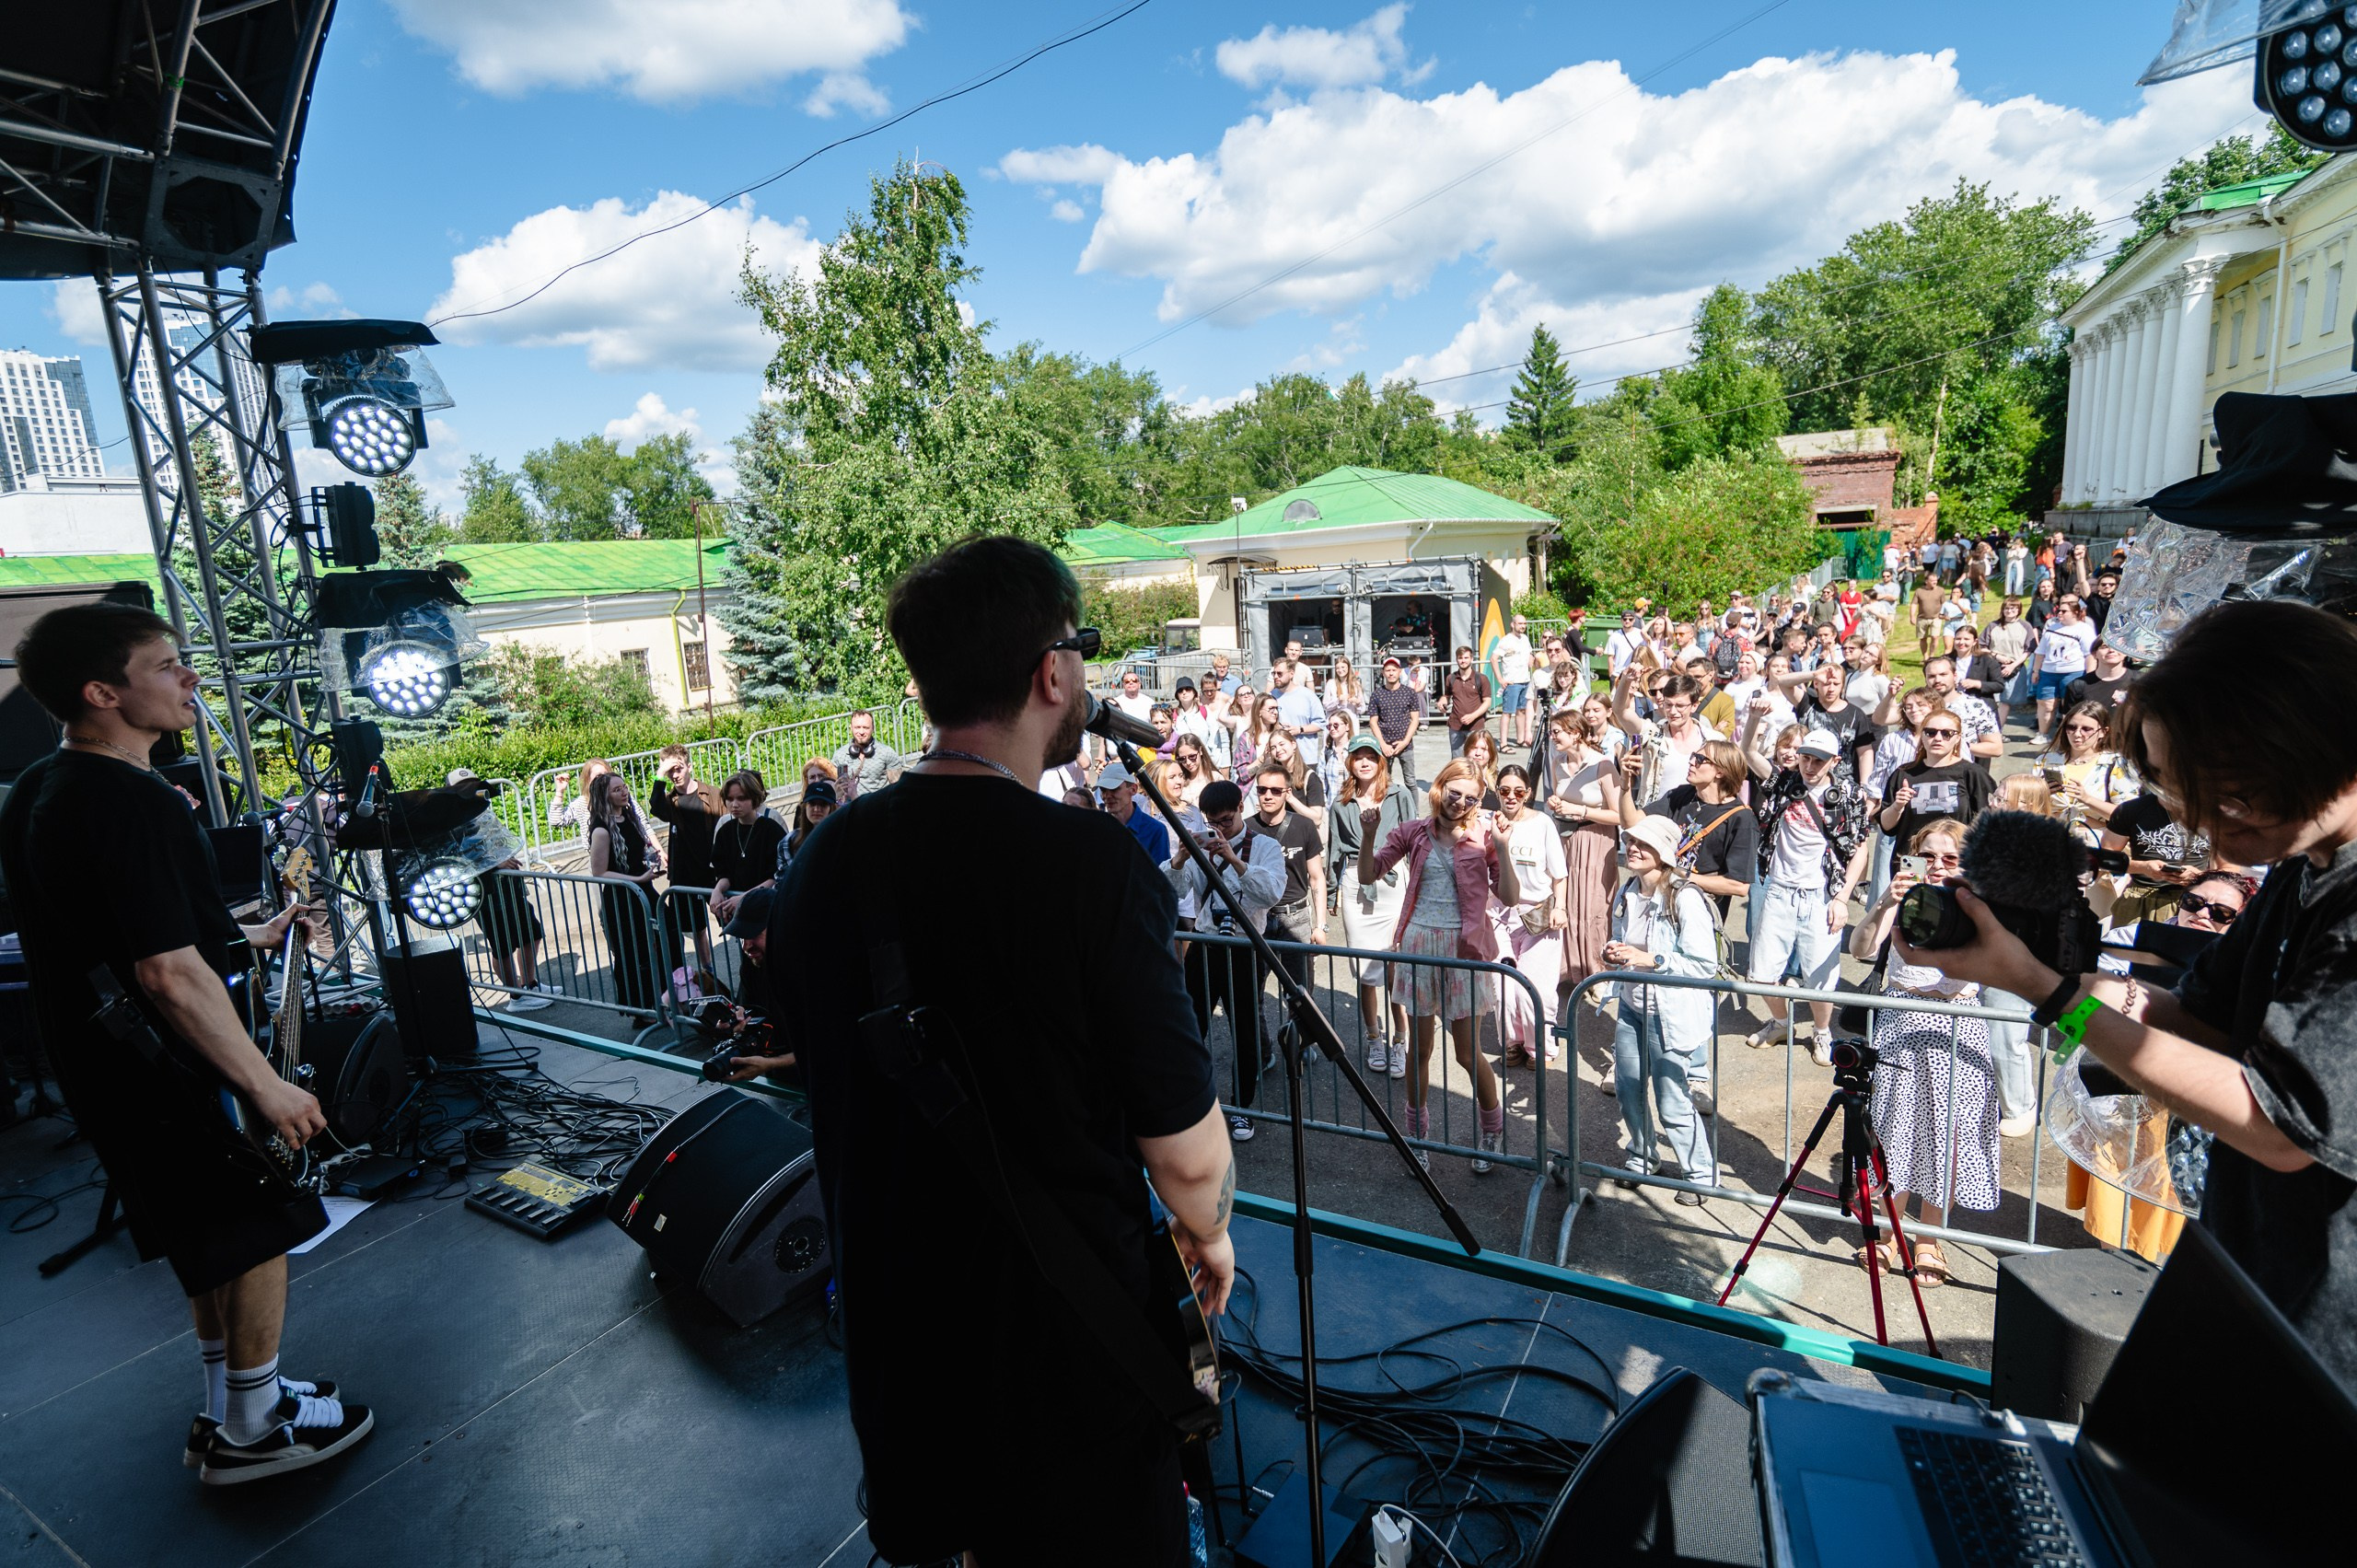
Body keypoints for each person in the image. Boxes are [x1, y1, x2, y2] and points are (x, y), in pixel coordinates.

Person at [771, 535, 1234, 1562]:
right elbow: (1190, 1158)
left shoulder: (824, 857)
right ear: (1051, 670)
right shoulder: (1090, 870)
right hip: (1063, 1355)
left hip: (899, 1336)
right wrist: (1209, 1233)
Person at [1898, 599, 2357, 1386]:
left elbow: (2282, 1125)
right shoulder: (2303, 869)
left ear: (2303, 744)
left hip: (2328, 1347)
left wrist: (2051, 996)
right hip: (2257, 1284)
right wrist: (2050, 970)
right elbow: (2201, 1017)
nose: (2206, 828)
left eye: (2221, 796)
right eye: (2182, 797)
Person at [0, 602, 373, 1485]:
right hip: (170, 1067)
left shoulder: (38, 793)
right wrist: (267, 1087)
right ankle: (254, 1433)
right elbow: (166, 972)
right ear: (104, 692)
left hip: (105, 1064)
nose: (189, 679)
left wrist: (249, 934)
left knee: (209, 1235)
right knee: (256, 1229)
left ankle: (234, 1402)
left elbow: (114, 935)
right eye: (166, 666)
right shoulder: (132, 800)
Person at [1357, 759, 1522, 1172]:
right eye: (1455, 793)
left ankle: (1492, 1129)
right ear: (1440, 787)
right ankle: (1417, 1137)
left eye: (1470, 797)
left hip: (1464, 950)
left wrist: (1501, 847)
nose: (1461, 802)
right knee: (1420, 1050)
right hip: (1418, 946)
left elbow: (1510, 896)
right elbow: (1367, 874)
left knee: (1468, 1054)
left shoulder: (1485, 834)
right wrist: (1369, 833)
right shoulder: (1414, 831)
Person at [1852, 819, 1993, 1286]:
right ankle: (1890, 1233)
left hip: (1958, 1026)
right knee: (1896, 1130)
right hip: (1902, 1022)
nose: (1936, 866)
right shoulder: (1902, 899)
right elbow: (1860, 948)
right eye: (1927, 856)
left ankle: (1930, 1238)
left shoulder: (1977, 908)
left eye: (1949, 858)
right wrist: (1885, 903)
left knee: (1949, 1135)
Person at [1738, 721, 1875, 1060]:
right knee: (1760, 976)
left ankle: (1822, 1033)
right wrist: (1755, 718)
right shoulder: (1784, 782)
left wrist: (1843, 898)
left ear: (1834, 761)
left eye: (1819, 760)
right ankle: (1782, 1023)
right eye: (1805, 758)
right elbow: (1748, 752)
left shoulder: (1849, 795)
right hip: (1779, 891)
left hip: (1822, 896)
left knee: (1821, 982)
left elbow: (1860, 848)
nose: (1810, 767)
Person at [1605, 814, 1719, 1204]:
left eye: (1645, 844)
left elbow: (1705, 965)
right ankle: (1643, 1155)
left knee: (1672, 1098)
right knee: (1628, 1089)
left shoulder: (1684, 897)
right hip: (1631, 1006)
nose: (1634, 848)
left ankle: (1701, 1175)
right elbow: (1623, 940)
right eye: (1631, 841)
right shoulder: (1628, 892)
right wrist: (1616, 952)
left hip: (1669, 1013)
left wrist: (1650, 959)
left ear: (1665, 853)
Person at [1169, 779, 1287, 1144]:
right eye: (1212, 823)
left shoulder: (1265, 846)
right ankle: (1190, 1103)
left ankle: (1242, 1109)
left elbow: (1271, 893)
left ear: (1240, 807)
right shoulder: (1200, 847)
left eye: (1225, 819)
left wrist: (1234, 860)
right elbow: (1170, 892)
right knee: (1190, 1028)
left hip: (1244, 948)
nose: (1219, 829)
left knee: (1245, 1030)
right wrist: (1180, 859)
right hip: (1204, 946)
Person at [1328, 734, 1422, 1076]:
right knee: (1365, 968)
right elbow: (1335, 848)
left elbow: (1415, 841)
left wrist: (1418, 887)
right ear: (1350, 762)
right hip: (1356, 882)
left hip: (1393, 880)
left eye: (1371, 756)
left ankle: (1400, 1039)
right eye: (1358, 756)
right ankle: (1373, 1037)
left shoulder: (1399, 795)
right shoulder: (1341, 802)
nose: (1364, 762)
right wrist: (1328, 894)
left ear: (1381, 761)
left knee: (1396, 965)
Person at [448, 767, 552, 1010]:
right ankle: (515, 996)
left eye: (473, 785)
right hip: (485, 894)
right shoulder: (452, 820)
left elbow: (496, 843)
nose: (471, 790)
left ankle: (529, 984)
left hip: (509, 888)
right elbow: (457, 859)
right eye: (463, 788)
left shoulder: (481, 811)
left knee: (531, 932)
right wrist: (495, 863)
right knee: (502, 944)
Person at [1543, 701, 1627, 989]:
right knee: (1569, 901)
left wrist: (1582, 812)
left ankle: (1598, 970)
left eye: (1558, 732)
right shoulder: (1557, 763)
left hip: (1598, 839)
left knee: (1593, 905)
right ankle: (1571, 967)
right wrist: (1556, 804)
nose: (1553, 737)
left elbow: (1620, 815)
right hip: (1567, 838)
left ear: (1575, 733)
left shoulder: (1603, 766)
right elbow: (1559, 801)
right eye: (1552, 732)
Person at [1492, 763, 1567, 1066]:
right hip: (1499, 917)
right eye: (1505, 791)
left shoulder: (1543, 824)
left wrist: (1560, 907)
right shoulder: (1489, 822)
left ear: (1528, 794)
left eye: (1518, 791)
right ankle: (1512, 1042)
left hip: (1539, 916)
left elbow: (1559, 874)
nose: (1511, 797)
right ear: (1497, 792)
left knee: (1538, 989)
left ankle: (1541, 1046)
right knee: (1503, 987)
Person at [588, 772, 664, 1020]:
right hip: (622, 898)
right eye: (616, 790)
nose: (624, 792)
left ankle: (660, 999)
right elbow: (599, 872)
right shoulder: (601, 829)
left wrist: (651, 863)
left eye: (624, 787)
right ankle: (640, 1009)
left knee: (656, 945)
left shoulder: (628, 817)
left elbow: (636, 854)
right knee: (632, 952)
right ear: (604, 796)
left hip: (643, 891)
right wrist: (637, 880)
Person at [1877, 704, 1993, 853]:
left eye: (1947, 734)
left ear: (1958, 738)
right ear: (1922, 735)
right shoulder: (1904, 774)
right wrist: (1897, 806)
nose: (1938, 738)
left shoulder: (1972, 773)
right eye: (1930, 732)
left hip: (1956, 862)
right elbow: (1887, 827)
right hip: (1913, 861)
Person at [648, 744, 719, 978]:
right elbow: (656, 806)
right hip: (685, 874)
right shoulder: (671, 801)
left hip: (713, 871)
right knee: (696, 927)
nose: (675, 775)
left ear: (690, 766)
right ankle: (708, 971)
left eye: (678, 769)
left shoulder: (712, 794)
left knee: (731, 917)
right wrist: (660, 775)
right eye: (670, 772)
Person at [2038, 702, 2136, 844]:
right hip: (2050, 839)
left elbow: (2128, 816)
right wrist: (2040, 794)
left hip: (2095, 841)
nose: (2077, 734)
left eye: (2086, 729)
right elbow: (2026, 805)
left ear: (2103, 731)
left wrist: (2087, 799)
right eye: (2071, 727)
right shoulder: (2045, 761)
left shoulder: (2116, 764)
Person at [709, 769, 784, 927]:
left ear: (754, 799)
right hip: (741, 914)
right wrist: (717, 890)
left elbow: (775, 876)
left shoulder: (771, 829)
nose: (734, 804)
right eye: (730, 799)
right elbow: (724, 873)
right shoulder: (725, 830)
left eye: (741, 798)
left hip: (768, 909)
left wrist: (743, 898)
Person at [2027, 593, 2098, 746]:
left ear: (2075, 613)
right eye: (2059, 611)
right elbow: (2040, 652)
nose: (2059, 613)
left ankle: (2067, 737)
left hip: (2073, 672)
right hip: (2049, 672)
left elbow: (2090, 654)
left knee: (2069, 706)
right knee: (2045, 704)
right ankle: (2042, 734)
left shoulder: (2084, 629)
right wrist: (2035, 671)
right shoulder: (2052, 628)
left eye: (2064, 611)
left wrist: (2091, 675)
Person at [1096, 760, 1171, 865]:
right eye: (1103, 790)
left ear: (1133, 789)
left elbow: (1161, 875)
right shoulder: (1096, 828)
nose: (1107, 796)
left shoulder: (1155, 830)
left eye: (1114, 789)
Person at [1368, 656, 1422, 788]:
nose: (1391, 673)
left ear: (1399, 671)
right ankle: (1386, 808)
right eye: (1388, 670)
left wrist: (1405, 741)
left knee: (1410, 782)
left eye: (1394, 670)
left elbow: (1415, 719)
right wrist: (1382, 744)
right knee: (1384, 782)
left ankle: (1413, 809)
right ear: (1383, 672)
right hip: (1384, 745)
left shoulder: (1409, 693)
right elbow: (1373, 722)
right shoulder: (1377, 694)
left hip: (1405, 745)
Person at [1981, 598, 2032, 731]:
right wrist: (1997, 656)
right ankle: (1986, 730)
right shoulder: (1993, 626)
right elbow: (1981, 647)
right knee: (1991, 701)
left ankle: (1998, 731)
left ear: (2019, 610)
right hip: (1992, 667)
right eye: (2007, 608)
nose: (2010, 611)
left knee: (2006, 702)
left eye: (2013, 608)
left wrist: (2013, 665)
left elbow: (2029, 650)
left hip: (2014, 667)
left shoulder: (2025, 626)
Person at [831, 708, 902, 801]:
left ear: (873, 728)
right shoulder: (839, 756)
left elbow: (899, 789)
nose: (861, 732)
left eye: (866, 728)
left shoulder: (887, 753)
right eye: (857, 727)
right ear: (851, 728)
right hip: (850, 810)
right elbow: (832, 788)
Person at [774, 778, 837, 879]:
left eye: (823, 804)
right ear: (805, 807)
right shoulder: (788, 841)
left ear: (831, 808)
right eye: (812, 804)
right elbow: (784, 881)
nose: (817, 809)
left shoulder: (842, 839)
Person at [1275, 656, 1329, 765]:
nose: (1276, 677)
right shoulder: (1271, 696)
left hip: (1305, 757)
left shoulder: (1308, 696)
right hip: (1280, 758)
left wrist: (1300, 729)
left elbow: (1321, 724)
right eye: (1273, 673)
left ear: (1291, 674)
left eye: (1279, 674)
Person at [1444, 643, 1493, 756]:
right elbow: (1446, 695)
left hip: (1475, 726)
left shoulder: (1481, 679)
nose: (1463, 661)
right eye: (1460, 658)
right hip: (1455, 726)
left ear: (1471, 659)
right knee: (1457, 761)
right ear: (1456, 659)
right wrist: (1443, 701)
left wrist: (1473, 716)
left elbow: (1487, 702)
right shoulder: (1451, 678)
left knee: (1476, 758)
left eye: (1466, 657)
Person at [1496, 613, 1536, 748]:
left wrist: (1531, 657)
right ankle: (1503, 743)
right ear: (1513, 624)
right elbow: (1493, 658)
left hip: (1525, 680)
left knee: (1522, 711)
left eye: (1524, 624)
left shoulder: (1525, 638)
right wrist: (1500, 679)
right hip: (1512, 682)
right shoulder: (1506, 640)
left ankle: (1521, 740)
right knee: (1507, 712)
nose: (1523, 626)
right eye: (1520, 624)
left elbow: (1530, 652)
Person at [2064, 637, 2134, 714]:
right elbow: (2069, 720)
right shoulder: (2077, 685)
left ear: (2126, 652)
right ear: (2094, 653)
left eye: (2117, 646)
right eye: (2105, 646)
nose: (2111, 650)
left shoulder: (2139, 681)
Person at [1910, 573, 1947, 659]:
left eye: (1936, 580)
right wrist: (1912, 616)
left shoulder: (1940, 590)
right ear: (1926, 581)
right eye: (1932, 581)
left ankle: (1931, 656)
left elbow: (1944, 604)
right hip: (1922, 618)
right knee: (1923, 638)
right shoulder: (1919, 591)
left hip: (1936, 618)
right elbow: (1914, 604)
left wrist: (1944, 615)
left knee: (1935, 637)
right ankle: (1925, 656)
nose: (1935, 582)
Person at [1322, 653, 1366, 718]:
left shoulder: (1356, 684)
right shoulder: (1331, 683)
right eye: (1337, 668)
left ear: (1348, 668)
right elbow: (1325, 706)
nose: (1340, 670)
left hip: (1351, 720)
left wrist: (1358, 704)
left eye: (1343, 667)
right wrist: (1338, 700)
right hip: (1335, 720)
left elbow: (1362, 710)